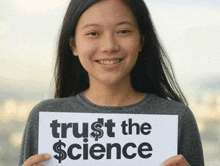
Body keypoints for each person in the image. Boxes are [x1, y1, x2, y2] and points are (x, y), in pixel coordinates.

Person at [19, 0, 204, 165]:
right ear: (73, 44)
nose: (109, 46)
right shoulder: (45, 118)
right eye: (93, 33)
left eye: (123, 31)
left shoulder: (178, 119)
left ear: (141, 40)